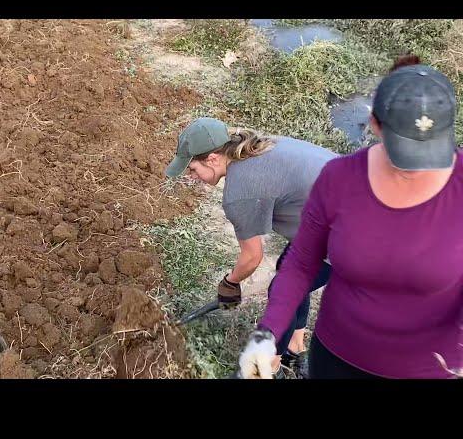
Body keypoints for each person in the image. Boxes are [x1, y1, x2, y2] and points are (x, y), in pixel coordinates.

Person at [239, 56, 463, 379]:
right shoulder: (339, 179)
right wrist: (267, 333)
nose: (419, 168)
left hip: (430, 370)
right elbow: (302, 263)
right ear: (374, 124)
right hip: (338, 360)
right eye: (406, 153)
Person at [166, 116, 337, 378]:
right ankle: (295, 347)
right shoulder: (256, 146)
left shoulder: (240, 192)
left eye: (192, 170)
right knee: (288, 269)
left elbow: (252, 257)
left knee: (283, 289)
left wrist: (230, 283)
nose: (191, 178)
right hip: (346, 201)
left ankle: (268, 367)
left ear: (212, 158)